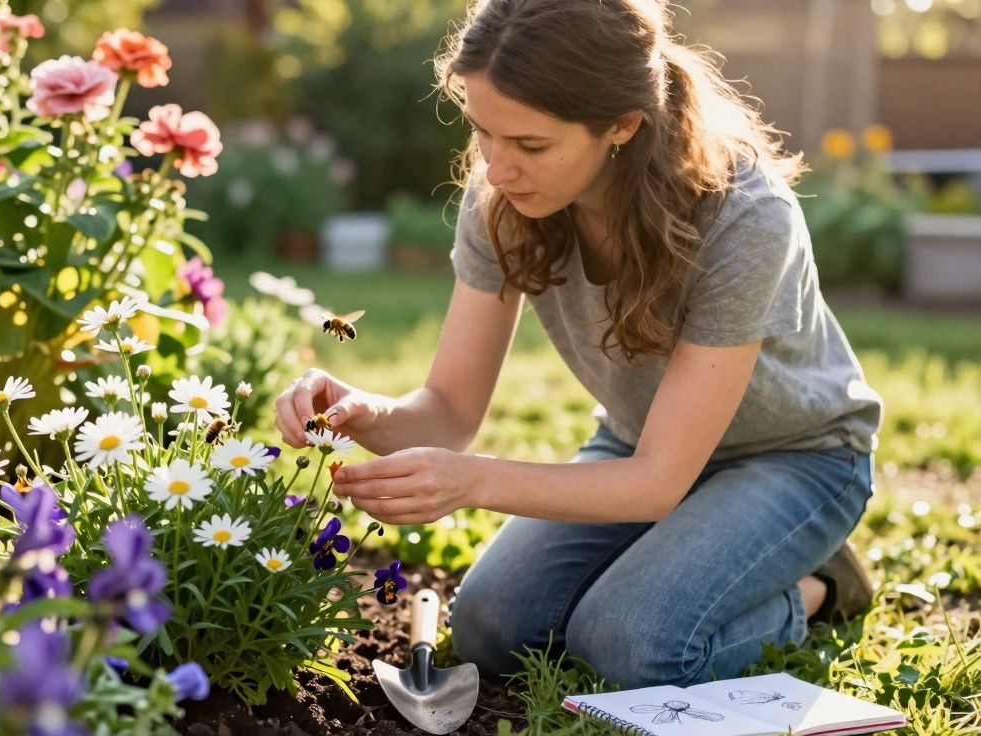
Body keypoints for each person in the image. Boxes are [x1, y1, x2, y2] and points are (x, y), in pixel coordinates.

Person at [273, 0, 884, 688]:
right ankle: (698, 557)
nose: (497, 169)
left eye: (530, 145)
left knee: (631, 644)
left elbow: (658, 482)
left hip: (797, 459)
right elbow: (449, 409)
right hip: (641, 445)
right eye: (482, 134)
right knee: (492, 629)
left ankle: (820, 587)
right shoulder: (501, 198)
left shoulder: (744, 218)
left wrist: (471, 482)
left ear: (621, 124)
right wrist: (360, 412)